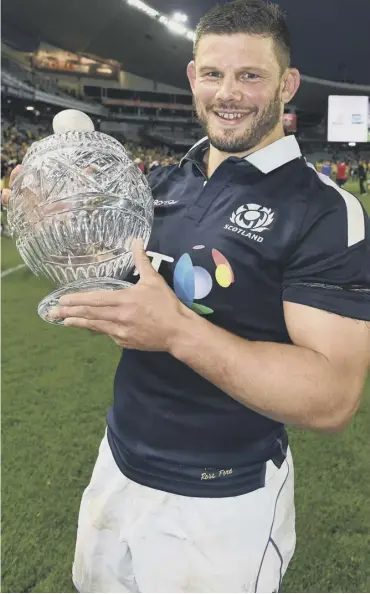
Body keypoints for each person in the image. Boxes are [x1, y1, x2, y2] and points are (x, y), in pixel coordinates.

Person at [3, 1, 370, 592]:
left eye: (250, 75)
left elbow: (331, 400)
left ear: (288, 84)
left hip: (223, 498)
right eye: (213, 74)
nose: (229, 94)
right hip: (118, 463)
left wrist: (175, 329)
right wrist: (57, 206)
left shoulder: (324, 213)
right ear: (193, 76)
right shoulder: (160, 184)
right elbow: (119, 281)